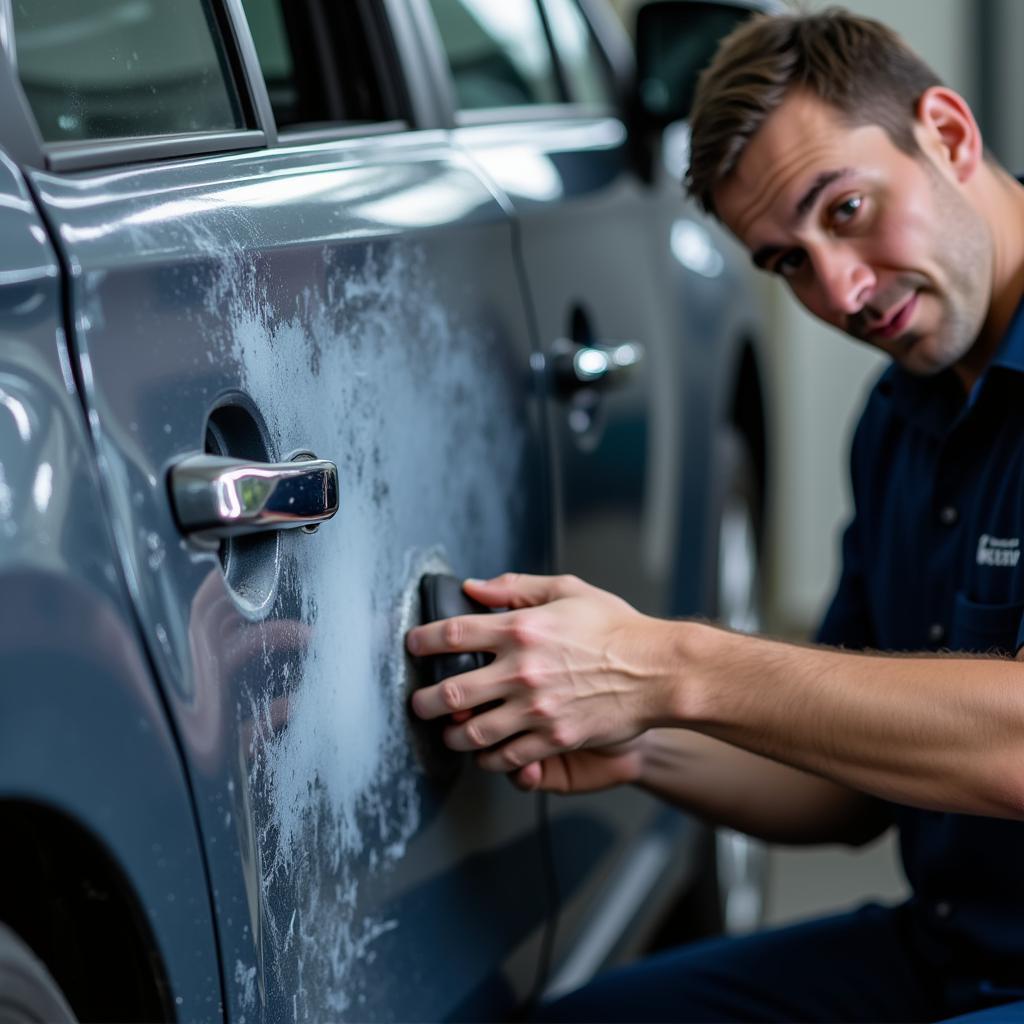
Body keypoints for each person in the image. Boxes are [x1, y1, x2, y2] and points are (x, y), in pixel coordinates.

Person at [406, 7, 1024, 1022]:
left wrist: (670, 665)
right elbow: (847, 788)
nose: (839, 289)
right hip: (949, 955)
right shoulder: (900, 419)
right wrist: (640, 730)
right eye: (786, 261)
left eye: (847, 210)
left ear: (949, 134)